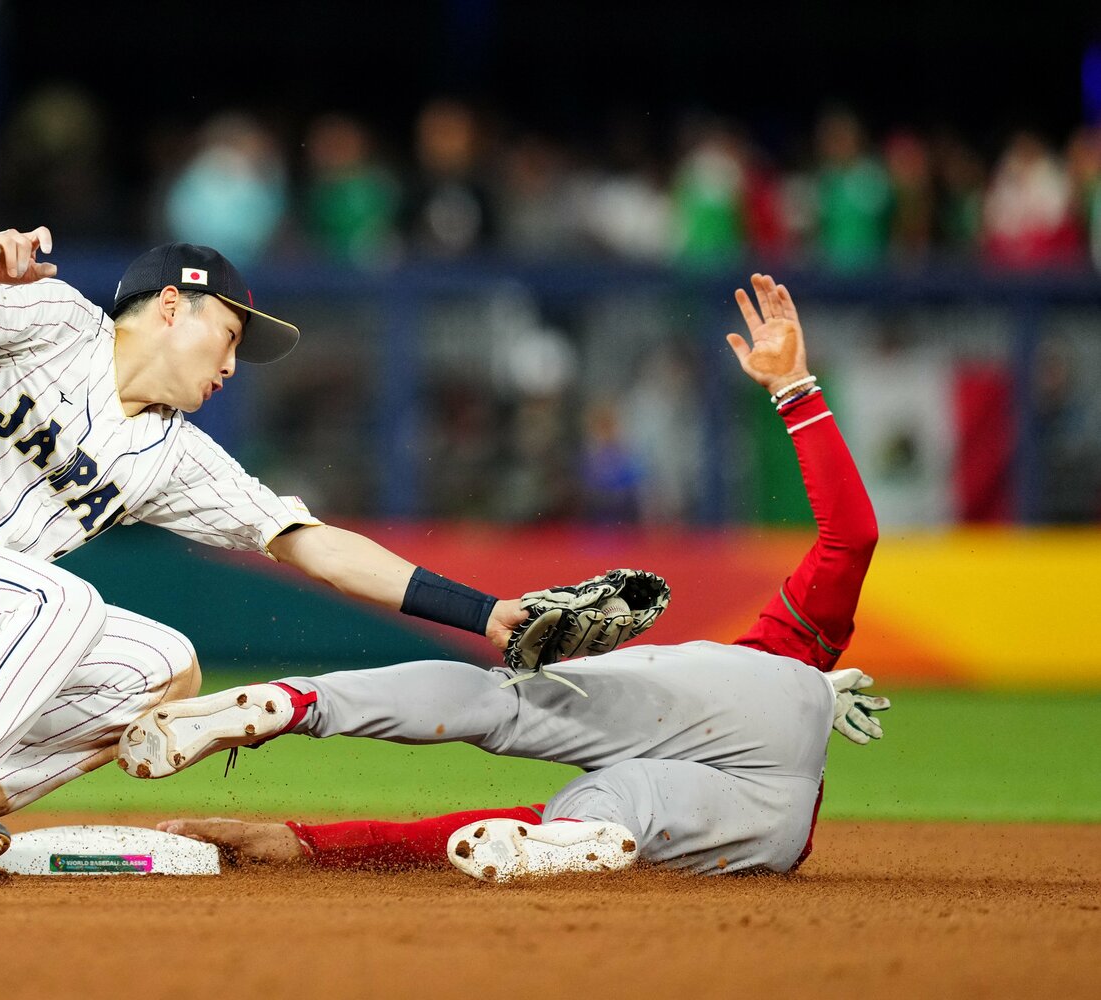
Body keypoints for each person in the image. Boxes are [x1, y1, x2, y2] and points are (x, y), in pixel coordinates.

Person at [0, 226, 530, 871]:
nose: (233, 366)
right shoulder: (59, 321)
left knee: (161, 667)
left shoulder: (173, 456)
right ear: (172, 305)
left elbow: (314, 546)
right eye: (230, 336)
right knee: (63, 598)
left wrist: (486, 612)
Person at [122, 274, 886, 881]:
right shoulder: (790, 673)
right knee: (596, 813)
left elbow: (852, 539)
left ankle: (295, 702)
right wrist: (301, 844)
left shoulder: (784, 645)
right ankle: (569, 850)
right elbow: (483, 833)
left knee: (507, 702)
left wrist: (795, 390)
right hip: (772, 841)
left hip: (780, 692)